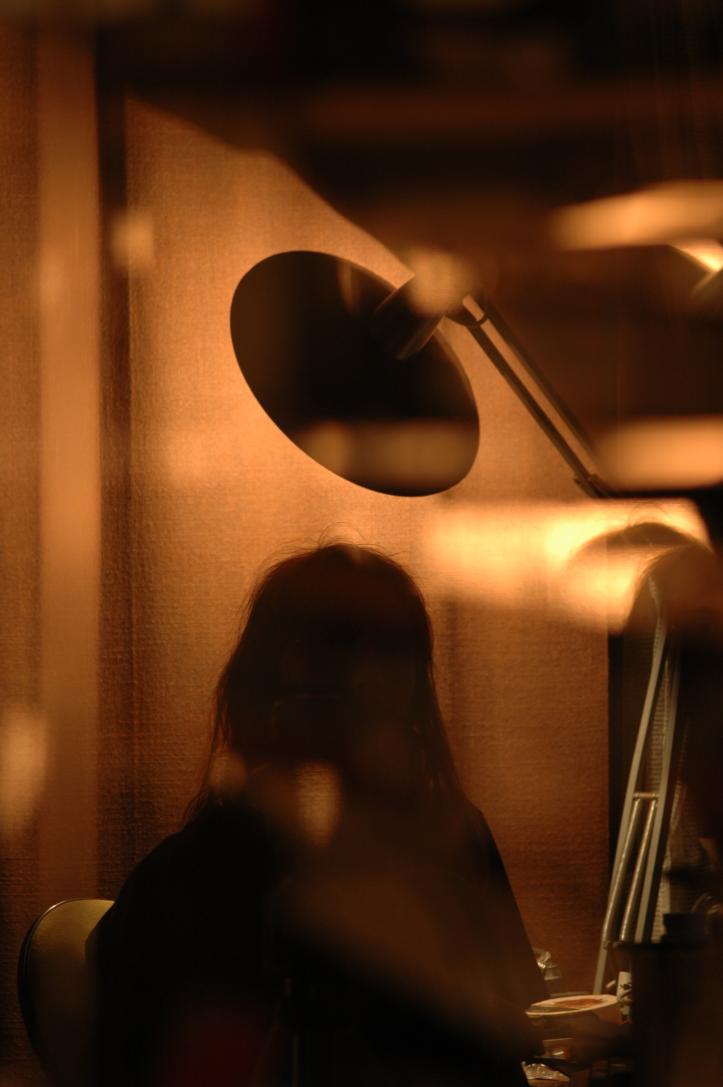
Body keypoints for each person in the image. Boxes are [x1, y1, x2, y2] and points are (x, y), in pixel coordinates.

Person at [94, 543, 546, 1086]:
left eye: (389, 653)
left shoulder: (452, 838)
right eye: (336, 652)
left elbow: (523, 1017)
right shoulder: (193, 878)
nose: (362, 682)